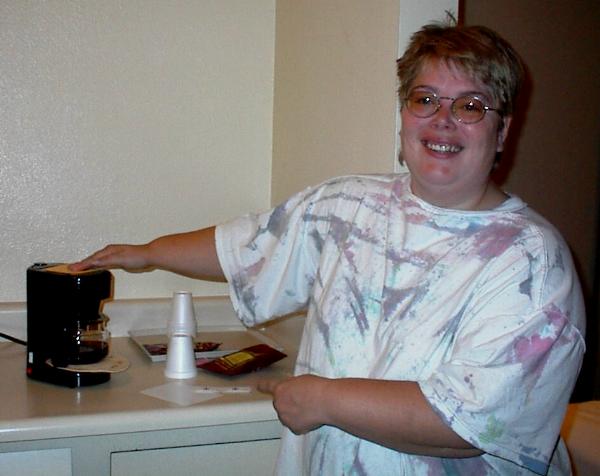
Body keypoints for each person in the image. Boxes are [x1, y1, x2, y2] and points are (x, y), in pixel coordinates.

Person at [71, 23, 585, 475]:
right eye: (424, 99)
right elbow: (246, 247)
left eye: (470, 106)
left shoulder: (532, 264)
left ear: (502, 131)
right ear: (404, 113)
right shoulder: (348, 204)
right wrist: (145, 253)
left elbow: (468, 423)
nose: (442, 120)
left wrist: (321, 398)